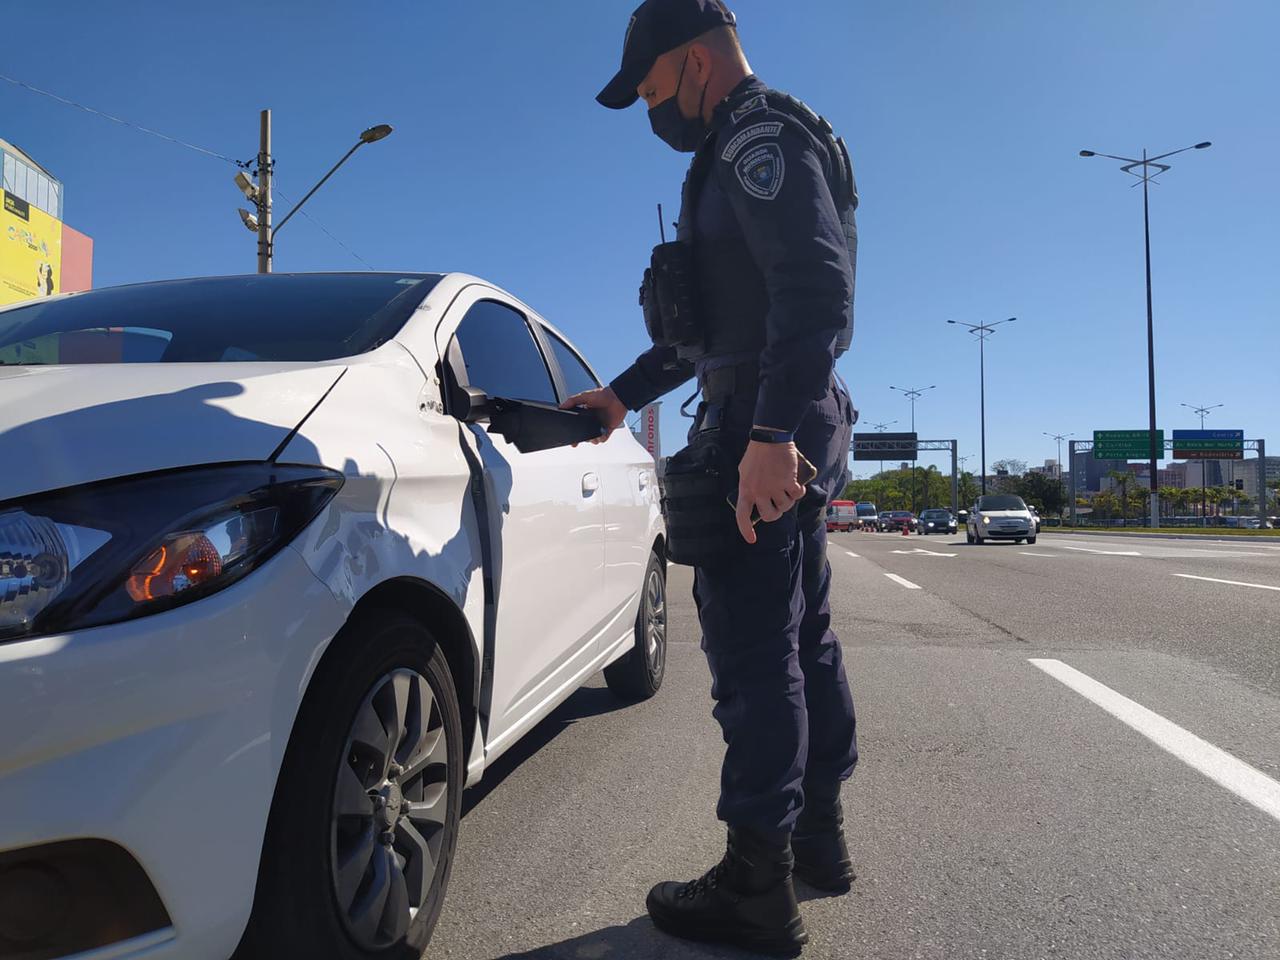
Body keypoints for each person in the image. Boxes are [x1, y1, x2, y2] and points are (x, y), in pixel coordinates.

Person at [562, 1, 860, 954]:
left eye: (653, 90)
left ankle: (755, 888)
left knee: (752, 653)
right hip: (777, 406)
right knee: (804, 640)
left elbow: (815, 288)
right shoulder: (741, 145)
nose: (654, 113)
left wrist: (768, 434)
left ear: (692, 62)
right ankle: (816, 842)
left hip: (765, 420)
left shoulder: (755, 138)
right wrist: (620, 393)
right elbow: (717, 325)